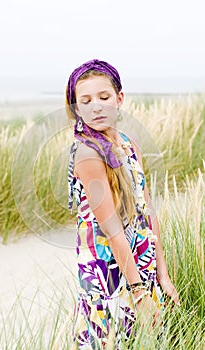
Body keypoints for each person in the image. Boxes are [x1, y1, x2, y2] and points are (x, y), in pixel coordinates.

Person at [66, 59, 179, 349]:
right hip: (109, 274)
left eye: (104, 97)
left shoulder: (130, 144)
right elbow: (113, 229)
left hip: (141, 263)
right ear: (77, 108)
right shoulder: (88, 154)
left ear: (119, 99)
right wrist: (139, 294)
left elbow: (147, 210)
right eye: (86, 100)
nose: (96, 106)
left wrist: (161, 274)